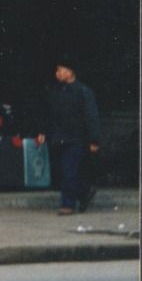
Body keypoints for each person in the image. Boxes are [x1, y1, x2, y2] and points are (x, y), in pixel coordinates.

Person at [44, 59, 102, 215]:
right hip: (58, 137)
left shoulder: (83, 91)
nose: (57, 74)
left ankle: (68, 204)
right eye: (57, 71)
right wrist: (43, 132)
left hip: (76, 138)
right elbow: (49, 115)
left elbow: (91, 116)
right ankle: (84, 192)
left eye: (61, 70)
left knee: (69, 170)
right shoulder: (55, 92)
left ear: (70, 72)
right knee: (63, 171)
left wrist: (94, 139)